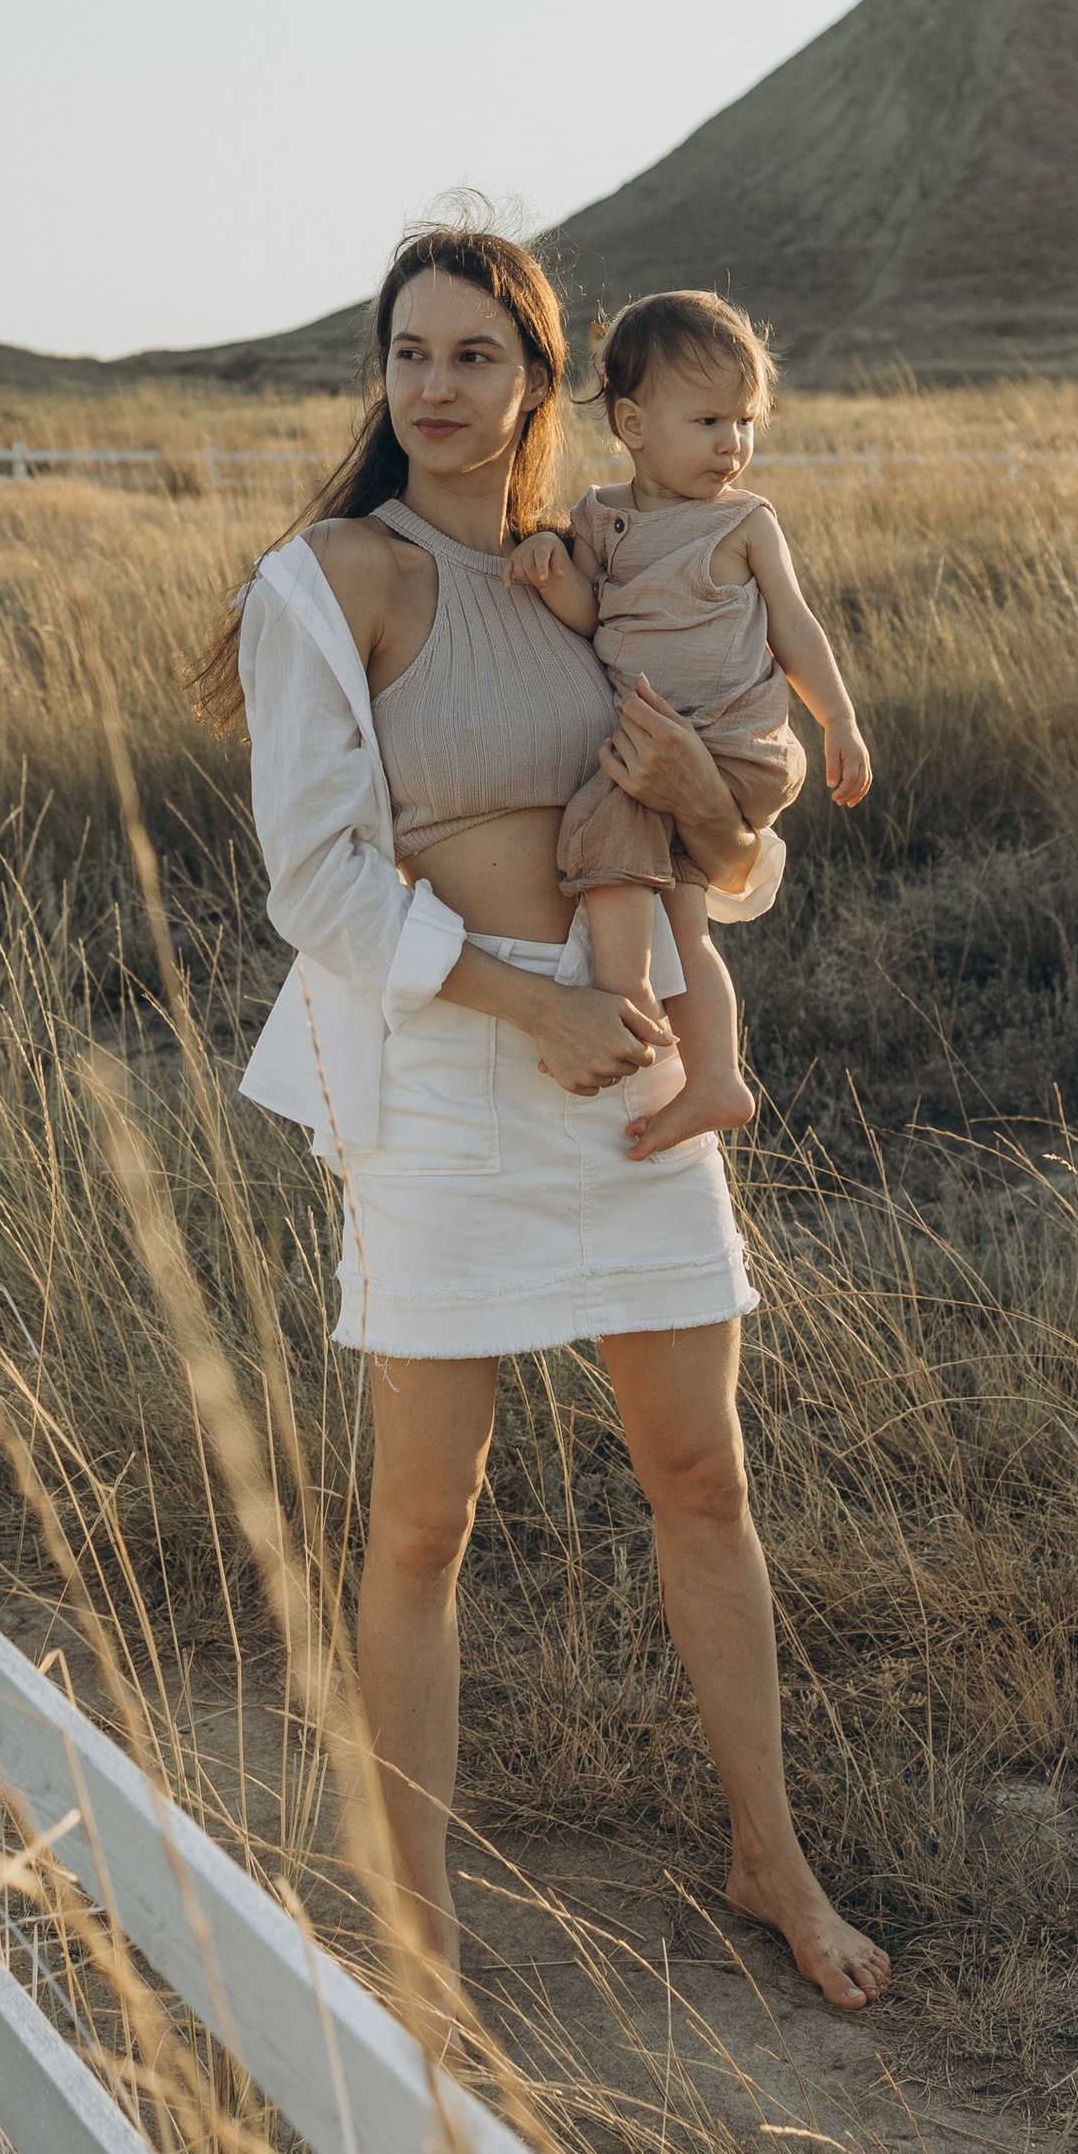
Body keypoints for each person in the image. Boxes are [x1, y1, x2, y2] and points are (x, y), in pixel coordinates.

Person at [197, 221, 889, 2035]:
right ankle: (415, 1938)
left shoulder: (605, 565)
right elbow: (321, 888)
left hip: (640, 1046)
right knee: (423, 1527)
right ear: (383, 374)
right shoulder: (331, 578)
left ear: (538, 380)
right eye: (410, 354)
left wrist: (710, 812)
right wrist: (534, 1009)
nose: (439, 387)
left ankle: (772, 1857)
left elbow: (729, 853)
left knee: (704, 1480)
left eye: (475, 356)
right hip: (446, 1073)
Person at [506, 290, 872, 1157]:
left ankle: (619, 1003)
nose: (733, 444)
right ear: (632, 423)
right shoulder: (603, 518)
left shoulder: (743, 522)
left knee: (604, 821)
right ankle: (713, 1079)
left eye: (746, 421)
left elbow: (796, 628)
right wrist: (548, 561)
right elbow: (589, 615)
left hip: (736, 748)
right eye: (708, 420)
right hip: (662, 746)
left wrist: (841, 722)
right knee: (687, 922)